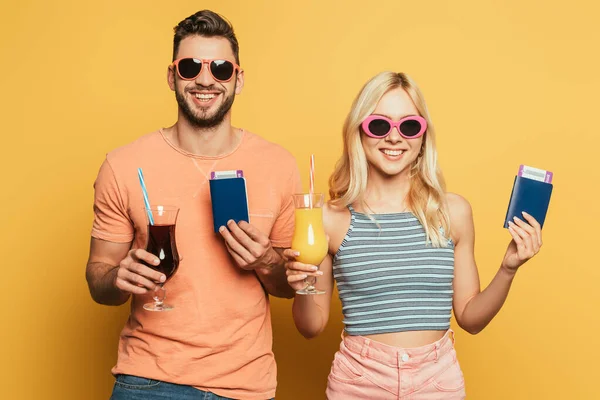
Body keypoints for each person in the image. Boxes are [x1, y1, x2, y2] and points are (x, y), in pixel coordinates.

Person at [284, 71, 543, 399]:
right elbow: (311, 327)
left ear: (423, 137)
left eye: (409, 126)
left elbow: (471, 318)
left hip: (437, 381)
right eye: (379, 125)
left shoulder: (453, 213)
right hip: (359, 381)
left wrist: (508, 267)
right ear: (358, 132)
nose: (395, 138)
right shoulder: (330, 220)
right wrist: (301, 287)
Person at [85, 10, 299, 400]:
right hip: (147, 381)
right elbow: (97, 279)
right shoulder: (122, 165)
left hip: (246, 384)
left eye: (220, 68)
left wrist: (265, 260)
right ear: (172, 77)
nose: (205, 79)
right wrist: (118, 277)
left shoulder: (280, 166)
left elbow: (288, 286)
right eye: (189, 67)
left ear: (238, 78)